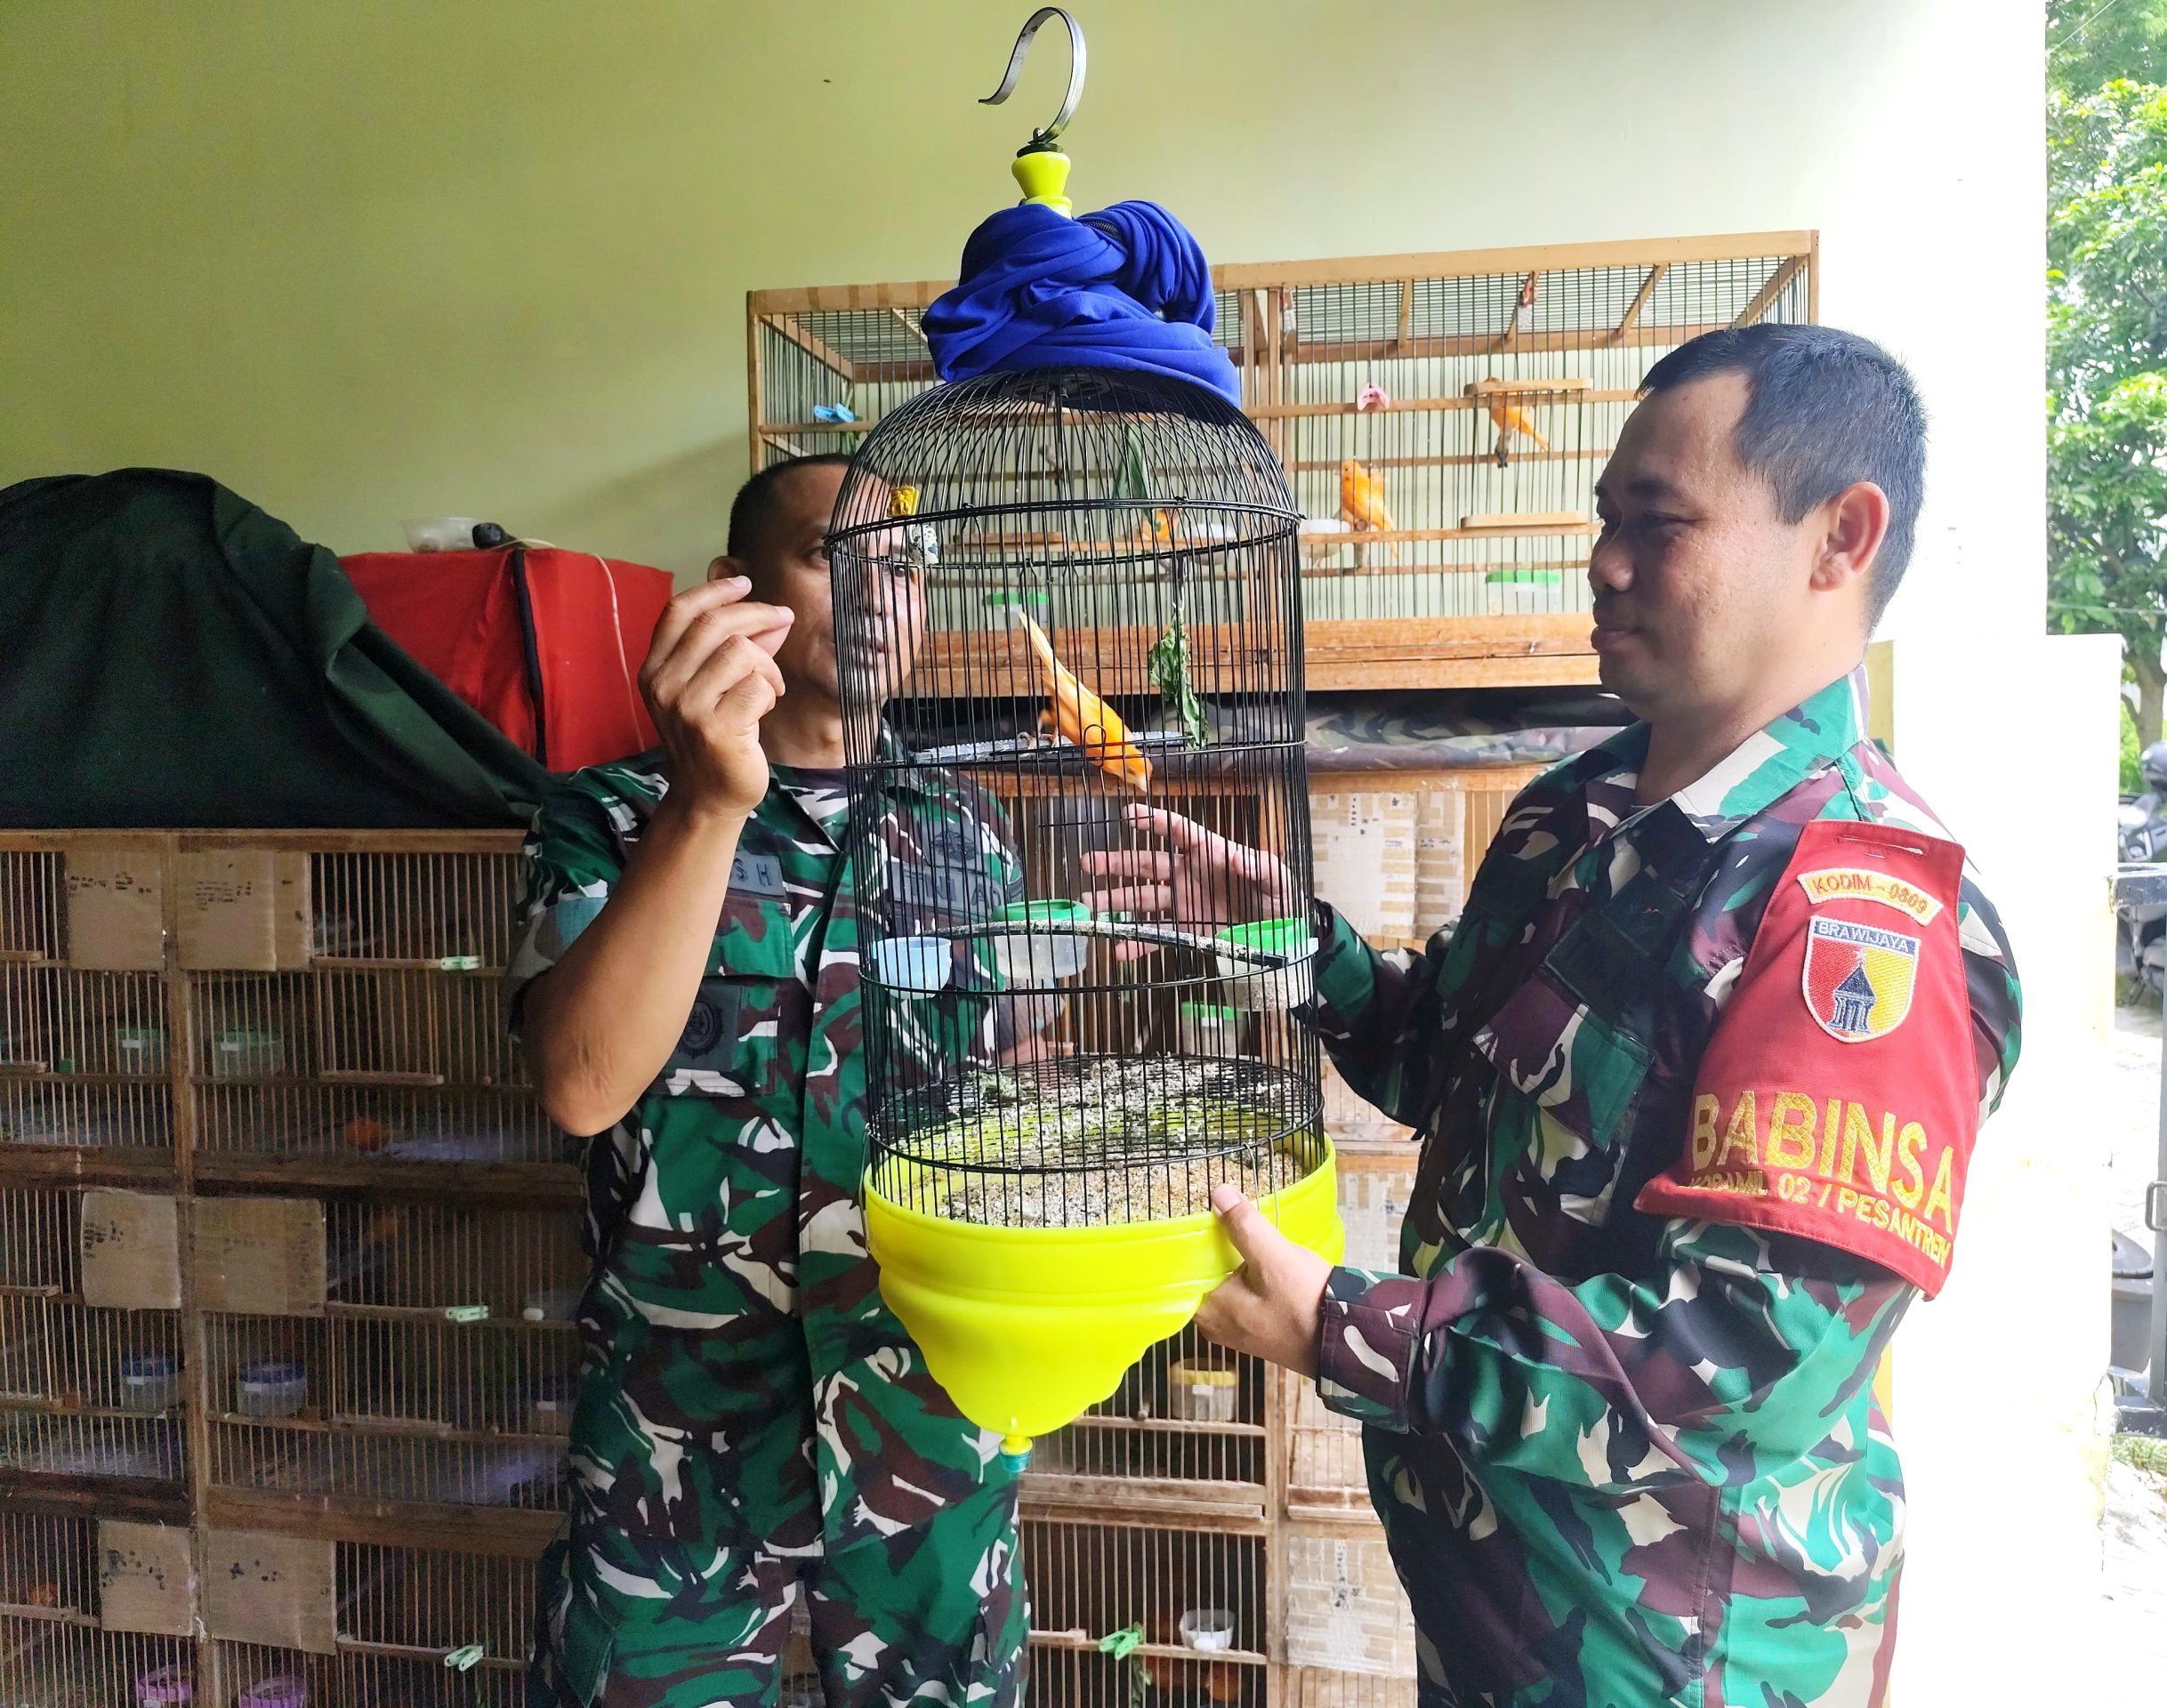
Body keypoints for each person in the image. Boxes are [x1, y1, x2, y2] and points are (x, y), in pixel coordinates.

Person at [1086, 326, 2024, 1707]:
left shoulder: (1852, 914)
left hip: (1668, 1651)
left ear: (1841, 538)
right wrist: (1295, 948)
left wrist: (1348, 1327)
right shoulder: (1571, 814)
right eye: (1605, 521)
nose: (1605, 563)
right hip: (1492, 1596)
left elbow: (1735, 1353)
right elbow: (1453, 1070)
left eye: (1660, 523)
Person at [507, 455, 1028, 1708]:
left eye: (908, 564)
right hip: (674, 1454)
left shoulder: (968, 837)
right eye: (833, 555)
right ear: (734, 588)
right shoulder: (611, 819)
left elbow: (1000, 1109)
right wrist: (708, 805)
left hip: (926, 1436)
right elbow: (580, 1086)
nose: (882, 589)